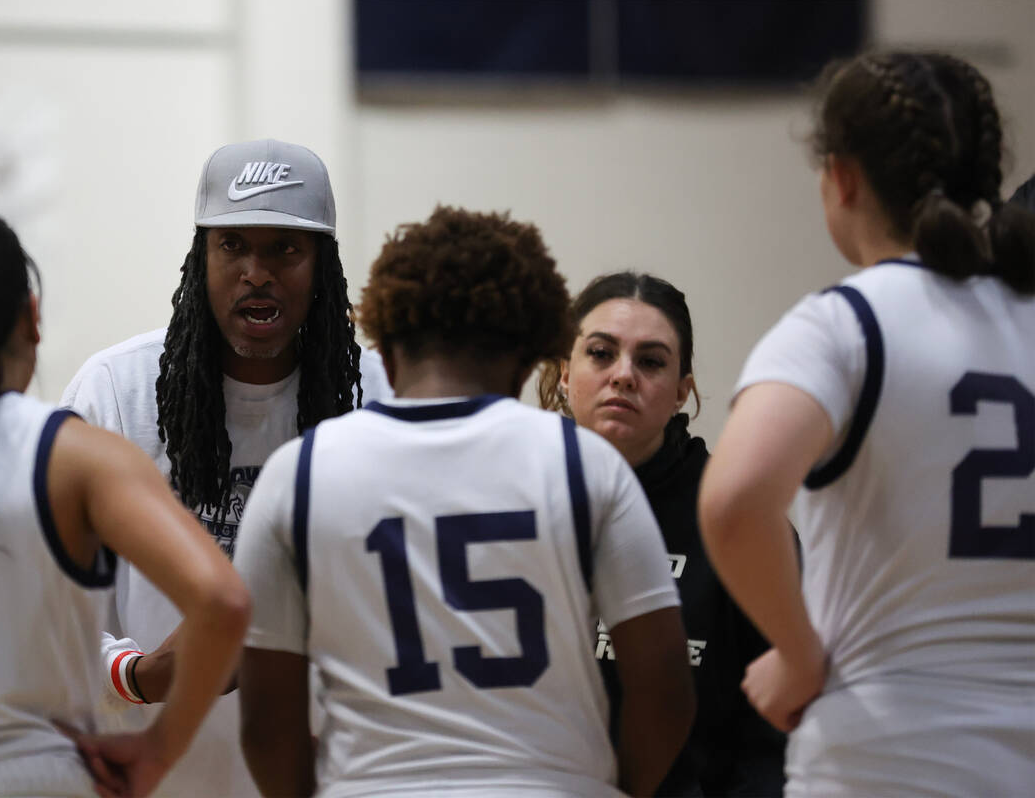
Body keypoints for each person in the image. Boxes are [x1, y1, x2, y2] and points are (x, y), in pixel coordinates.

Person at [234, 206, 695, 797]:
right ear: (532, 358)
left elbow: (267, 722)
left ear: (388, 346)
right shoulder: (588, 465)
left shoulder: (297, 474)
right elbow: (666, 690)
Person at [698, 51, 1035, 797]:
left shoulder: (844, 324)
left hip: (891, 755)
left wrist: (799, 651)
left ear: (841, 177)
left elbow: (735, 499)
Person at [0, 206, 249, 798]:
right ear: (32, 318)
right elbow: (223, 601)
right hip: (28, 777)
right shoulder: (75, 456)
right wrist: (158, 752)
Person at [61, 139, 391, 796]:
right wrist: (140, 675)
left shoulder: (378, 394)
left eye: (285, 250)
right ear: (200, 257)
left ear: (322, 267)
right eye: (234, 245)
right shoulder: (114, 389)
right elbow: (50, 609)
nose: (257, 272)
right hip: (150, 775)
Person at [540, 272, 785, 797]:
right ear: (564, 373)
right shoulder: (511, 494)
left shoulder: (736, 516)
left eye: (650, 361)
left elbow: (776, 730)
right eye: (601, 353)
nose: (623, 375)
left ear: (681, 392)